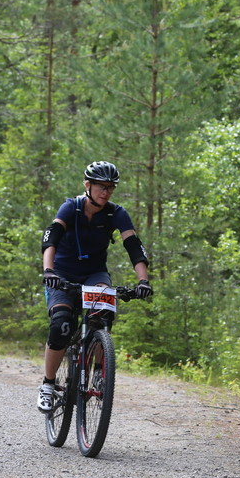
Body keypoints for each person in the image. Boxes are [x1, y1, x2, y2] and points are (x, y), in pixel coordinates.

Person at [38, 160, 153, 412]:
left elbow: (133, 246)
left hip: (94, 274)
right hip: (62, 273)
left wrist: (143, 281)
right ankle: (48, 384)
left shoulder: (116, 213)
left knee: (102, 314)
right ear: (87, 185)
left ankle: (100, 371)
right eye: (102, 186)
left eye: (111, 187)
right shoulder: (71, 207)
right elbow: (51, 237)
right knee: (61, 325)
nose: (106, 192)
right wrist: (48, 270)